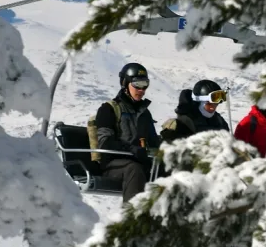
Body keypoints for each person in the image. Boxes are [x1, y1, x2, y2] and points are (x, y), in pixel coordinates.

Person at [95, 62, 161, 202]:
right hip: (114, 165)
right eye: (137, 84)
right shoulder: (109, 109)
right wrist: (131, 149)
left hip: (141, 163)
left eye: (145, 84)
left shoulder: (145, 113)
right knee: (134, 170)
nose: (141, 90)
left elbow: (154, 141)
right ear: (125, 83)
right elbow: (105, 142)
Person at [160, 79, 230, 142]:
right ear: (199, 102)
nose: (213, 108)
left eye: (216, 105)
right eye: (209, 104)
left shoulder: (219, 121)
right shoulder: (180, 125)